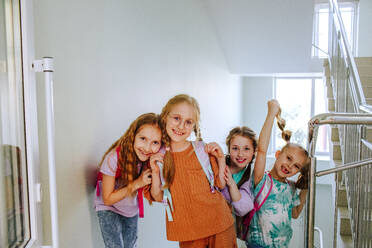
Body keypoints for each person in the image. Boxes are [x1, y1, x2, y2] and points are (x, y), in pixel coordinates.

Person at [148, 94, 237, 248]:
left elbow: (220, 184)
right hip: (187, 231)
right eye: (176, 118)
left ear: (194, 126)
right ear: (165, 118)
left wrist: (221, 159)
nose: (181, 126)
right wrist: (155, 171)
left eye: (188, 122)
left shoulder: (202, 149)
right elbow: (157, 196)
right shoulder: (159, 155)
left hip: (220, 222)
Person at [246, 100, 310, 248]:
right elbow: (261, 151)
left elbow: (294, 213)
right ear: (277, 154)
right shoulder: (262, 179)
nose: (289, 166)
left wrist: (306, 186)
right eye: (288, 158)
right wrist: (271, 114)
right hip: (258, 245)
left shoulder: (291, 187)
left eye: (296, 166)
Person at [95, 113, 162, 248]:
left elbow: (158, 195)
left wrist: (156, 170)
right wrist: (137, 183)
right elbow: (107, 199)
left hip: (130, 208)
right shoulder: (113, 158)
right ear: (133, 136)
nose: (147, 147)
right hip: (109, 207)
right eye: (143, 138)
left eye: (155, 142)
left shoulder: (152, 158)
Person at [220, 126, 257, 242]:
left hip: (229, 230)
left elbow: (243, 208)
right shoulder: (218, 165)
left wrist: (231, 184)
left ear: (254, 152)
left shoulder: (249, 179)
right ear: (229, 149)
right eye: (235, 148)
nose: (240, 154)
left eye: (246, 149)